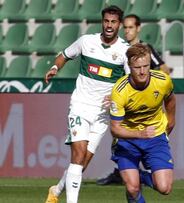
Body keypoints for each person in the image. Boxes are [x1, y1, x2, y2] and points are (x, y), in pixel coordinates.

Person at [44, 5, 129, 203]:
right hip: (80, 106)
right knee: (78, 153)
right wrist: (55, 67)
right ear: (102, 21)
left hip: (103, 114)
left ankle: (56, 191)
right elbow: (64, 55)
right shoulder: (86, 41)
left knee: (81, 163)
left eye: (113, 22)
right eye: (106, 21)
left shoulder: (124, 51)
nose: (109, 25)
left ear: (119, 25)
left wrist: (117, 98)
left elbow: (128, 82)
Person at [96, 13, 171, 186]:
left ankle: (133, 175)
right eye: (126, 28)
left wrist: (155, 90)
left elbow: (163, 70)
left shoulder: (145, 49)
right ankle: (122, 172)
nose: (128, 31)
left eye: (131, 27)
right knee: (119, 135)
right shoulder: (120, 49)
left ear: (138, 28)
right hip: (125, 103)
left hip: (145, 106)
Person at [110, 43, 176, 202]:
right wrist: (140, 134)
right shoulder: (120, 91)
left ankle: (135, 176)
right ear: (129, 66)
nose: (142, 71)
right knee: (132, 189)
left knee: (164, 188)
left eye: (146, 66)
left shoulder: (162, 81)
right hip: (127, 141)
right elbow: (115, 129)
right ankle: (131, 181)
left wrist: (171, 121)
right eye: (137, 67)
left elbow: (170, 99)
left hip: (155, 137)